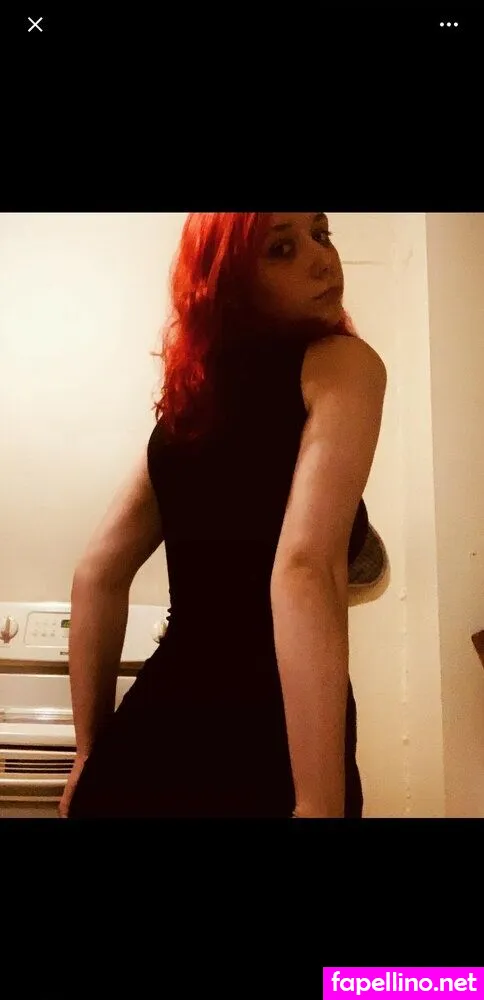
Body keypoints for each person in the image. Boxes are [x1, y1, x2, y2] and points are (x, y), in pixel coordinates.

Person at [60, 212, 387, 820]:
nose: (321, 258)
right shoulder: (343, 364)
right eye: (281, 249)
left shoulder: (187, 413)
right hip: (264, 750)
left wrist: (88, 752)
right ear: (229, 282)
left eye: (321, 233)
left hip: (142, 753)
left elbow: (96, 573)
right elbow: (304, 568)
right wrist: (318, 803)